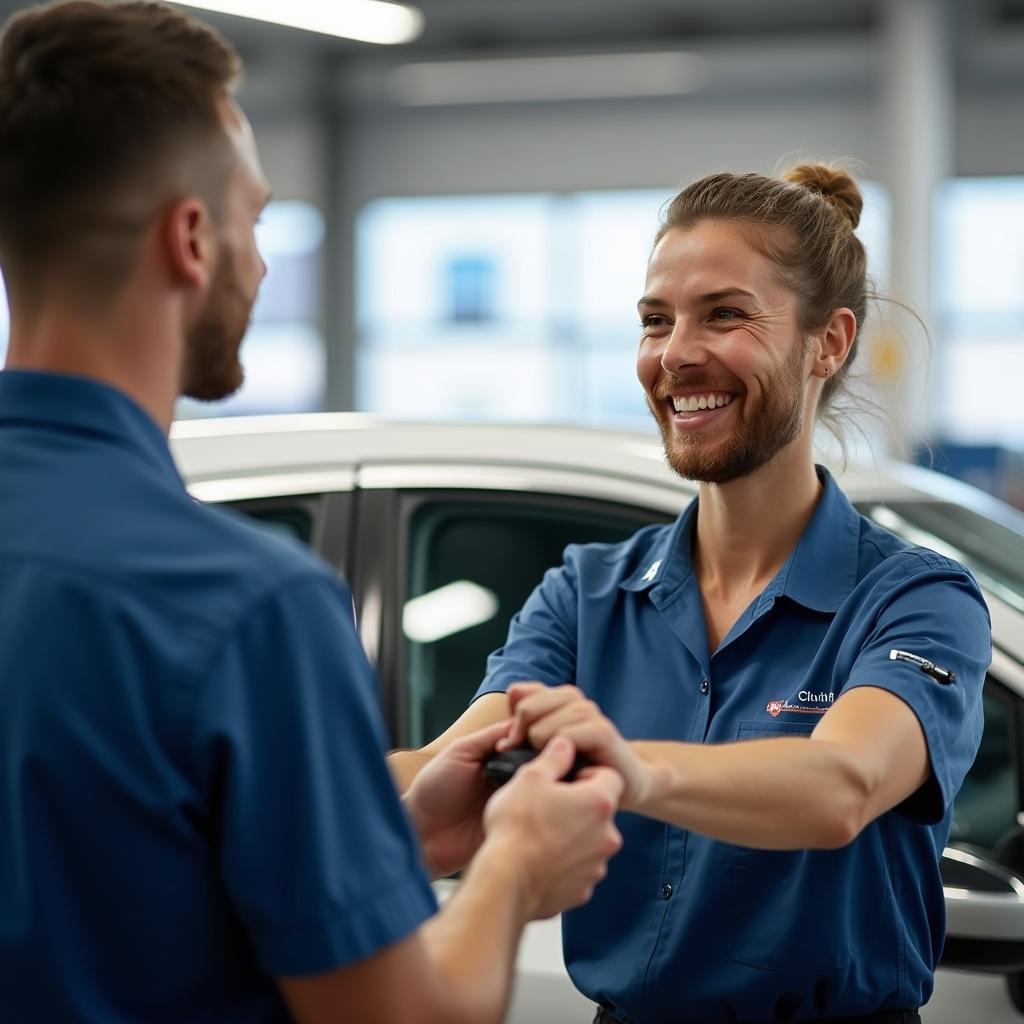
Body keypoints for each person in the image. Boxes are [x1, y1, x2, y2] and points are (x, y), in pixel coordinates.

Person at [0, 3, 625, 1023]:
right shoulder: (244, 606)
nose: (259, 260)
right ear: (191, 238)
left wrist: (381, 823)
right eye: (255, 217)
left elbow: (110, 860)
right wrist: (514, 865)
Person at [390, 164, 992, 1023]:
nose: (675, 355)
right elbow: (439, 770)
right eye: (655, 321)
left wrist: (630, 768)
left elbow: (840, 784)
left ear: (829, 342)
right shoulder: (585, 594)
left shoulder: (917, 601)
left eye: (725, 314)